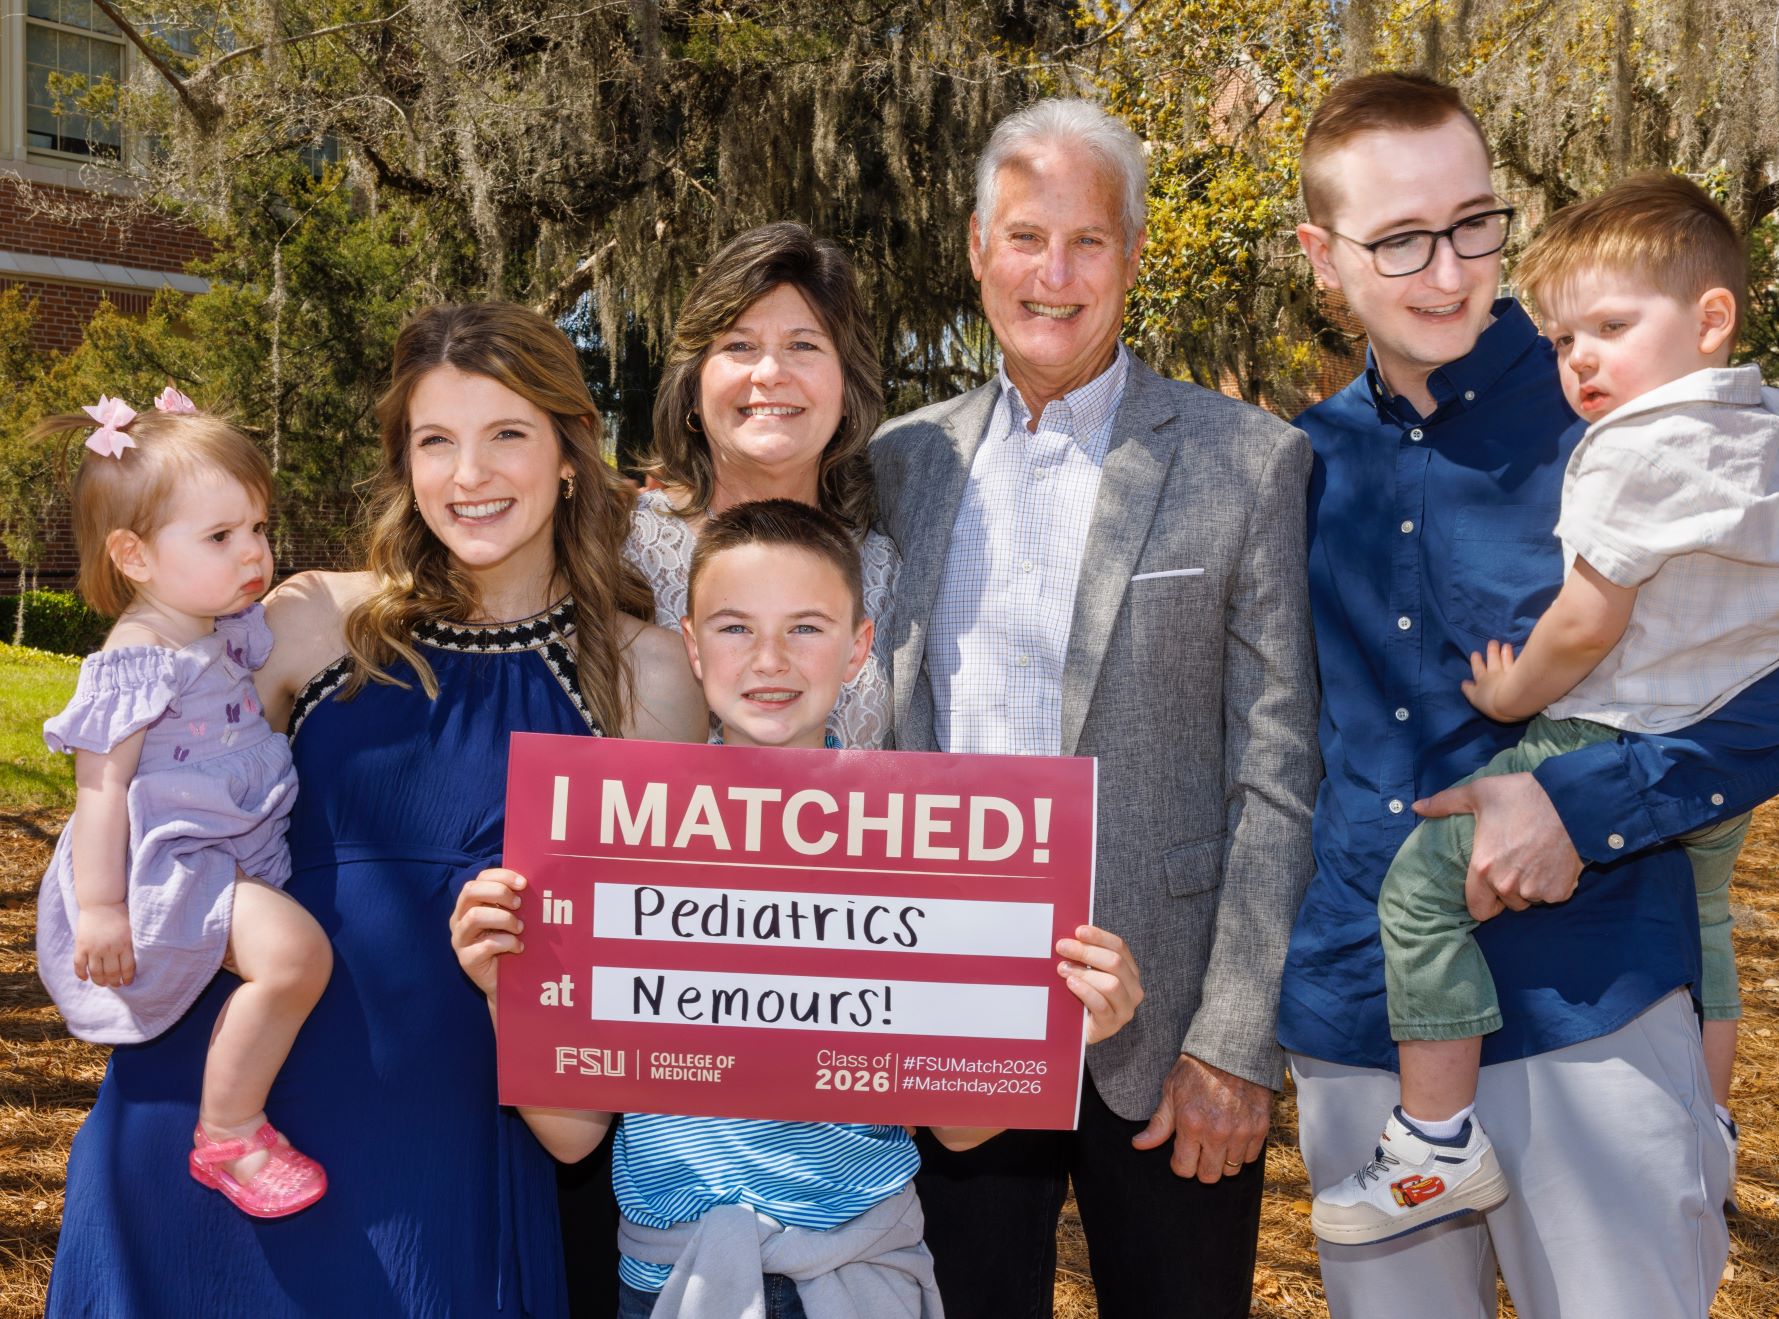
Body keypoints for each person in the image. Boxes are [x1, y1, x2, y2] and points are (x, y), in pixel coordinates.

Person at [1282, 72, 1779, 1318]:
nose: (1447, 271)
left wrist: (1578, 806)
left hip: (1590, 1000)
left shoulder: (1633, 415)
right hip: (1355, 1016)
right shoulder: (1298, 462)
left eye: (1473, 223)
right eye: (1398, 240)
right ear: (1320, 257)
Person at [47, 302, 706, 1317]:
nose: (467, 474)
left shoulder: (644, 675)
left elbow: (633, 979)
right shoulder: (311, 620)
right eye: (434, 440)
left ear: (571, 455)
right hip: (211, 1126)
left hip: (448, 1161)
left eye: (506, 435)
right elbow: (145, 766)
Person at [450, 497, 1145, 1319]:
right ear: (692, 647)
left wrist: (1056, 1026)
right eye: (735, 627)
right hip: (671, 1279)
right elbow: (573, 1134)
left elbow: (956, 1129)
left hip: (860, 1271)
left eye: (807, 628)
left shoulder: (924, 847)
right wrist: (510, 989)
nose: (770, 658)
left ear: (858, 649)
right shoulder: (613, 847)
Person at [870, 98, 1320, 1319]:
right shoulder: (902, 461)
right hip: (945, 1020)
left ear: (1131, 255)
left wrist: (1234, 1041)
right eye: (1024, 238)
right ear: (976, 249)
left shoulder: (1247, 459)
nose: (1051, 274)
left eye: (1086, 242)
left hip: (1166, 1039)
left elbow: (1276, 773)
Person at [36, 389, 331, 1218]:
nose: (254, 553)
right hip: (172, 863)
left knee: (297, 953)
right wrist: (100, 907)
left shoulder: (215, 627)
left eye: (259, 528)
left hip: (226, 843)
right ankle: (229, 1131)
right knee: (297, 957)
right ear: (133, 556)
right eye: (221, 536)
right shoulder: (135, 657)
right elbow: (100, 794)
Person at [626, 221, 899, 750]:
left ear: (848, 383)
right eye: (740, 345)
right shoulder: (617, 551)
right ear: (693, 383)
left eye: (803, 344)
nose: (770, 372)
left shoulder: (890, 574)